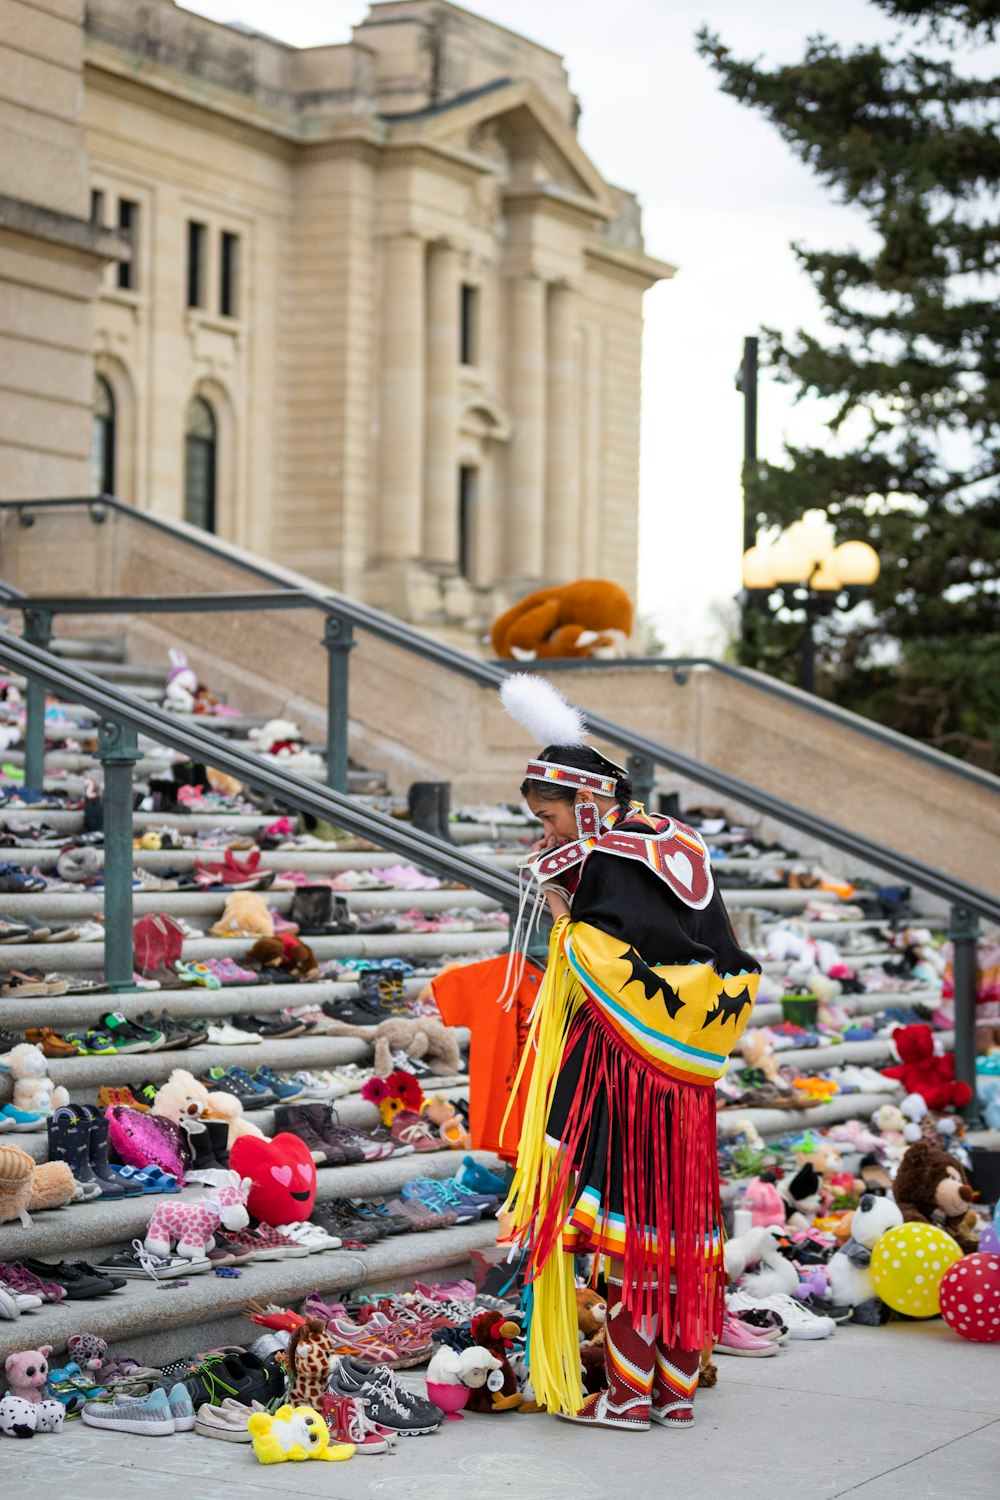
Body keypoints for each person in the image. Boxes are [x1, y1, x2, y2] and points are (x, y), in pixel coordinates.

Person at [500, 676, 761, 1433]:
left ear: (587, 804)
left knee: (629, 1238)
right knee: (677, 1236)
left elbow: (598, 957)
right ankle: (673, 1395)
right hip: (686, 1079)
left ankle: (622, 1397)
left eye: (548, 819)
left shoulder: (612, 857)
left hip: (626, 1077)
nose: (545, 835)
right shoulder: (676, 843)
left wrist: (561, 913)